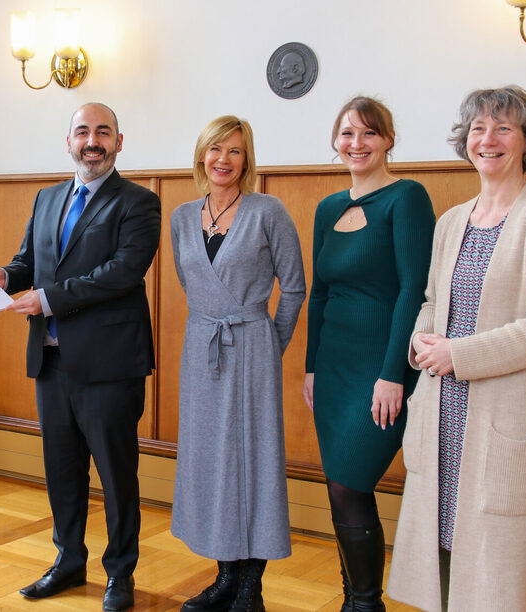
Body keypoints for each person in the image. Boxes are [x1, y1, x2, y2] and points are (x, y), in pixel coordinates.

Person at [387, 86, 526, 611]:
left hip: (503, 416)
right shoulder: (453, 220)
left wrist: (462, 355)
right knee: (440, 554)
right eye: (478, 128)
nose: (488, 139)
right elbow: (430, 301)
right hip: (443, 413)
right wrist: (423, 343)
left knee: (497, 572)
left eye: (503, 128)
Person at [0, 102, 160, 612]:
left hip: (110, 366)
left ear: (119, 142)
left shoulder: (139, 202)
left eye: (102, 132)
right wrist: (7, 276)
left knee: (116, 475)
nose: (92, 140)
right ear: (68, 142)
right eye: (82, 131)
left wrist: (50, 298)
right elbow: (29, 262)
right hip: (51, 360)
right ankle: (68, 561)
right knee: (62, 471)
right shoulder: (47, 198)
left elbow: (124, 271)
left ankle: (120, 573)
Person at [303, 97, 435, 611]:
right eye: (347, 134)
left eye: (368, 134)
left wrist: (392, 375)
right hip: (333, 369)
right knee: (340, 484)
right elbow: (319, 292)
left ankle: (364, 604)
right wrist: (312, 367)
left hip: (380, 368)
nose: (356, 144)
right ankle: (356, 600)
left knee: (351, 481)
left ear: (388, 140)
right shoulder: (327, 208)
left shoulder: (407, 198)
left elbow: (413, 290)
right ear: (336, 143)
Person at [170, 116, 306, 612]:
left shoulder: (268, 211)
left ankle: (251, 588)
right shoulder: (182, 217)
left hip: (251, 348)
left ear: (247, 160)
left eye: (235, 151)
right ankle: (225, 577)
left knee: (254, 462)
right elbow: (195, 288)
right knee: (210, 461)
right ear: (202, 155)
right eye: (215, 149)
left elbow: (294, 288)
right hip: (202, 345)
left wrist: (270, 343)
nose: (223, 159)